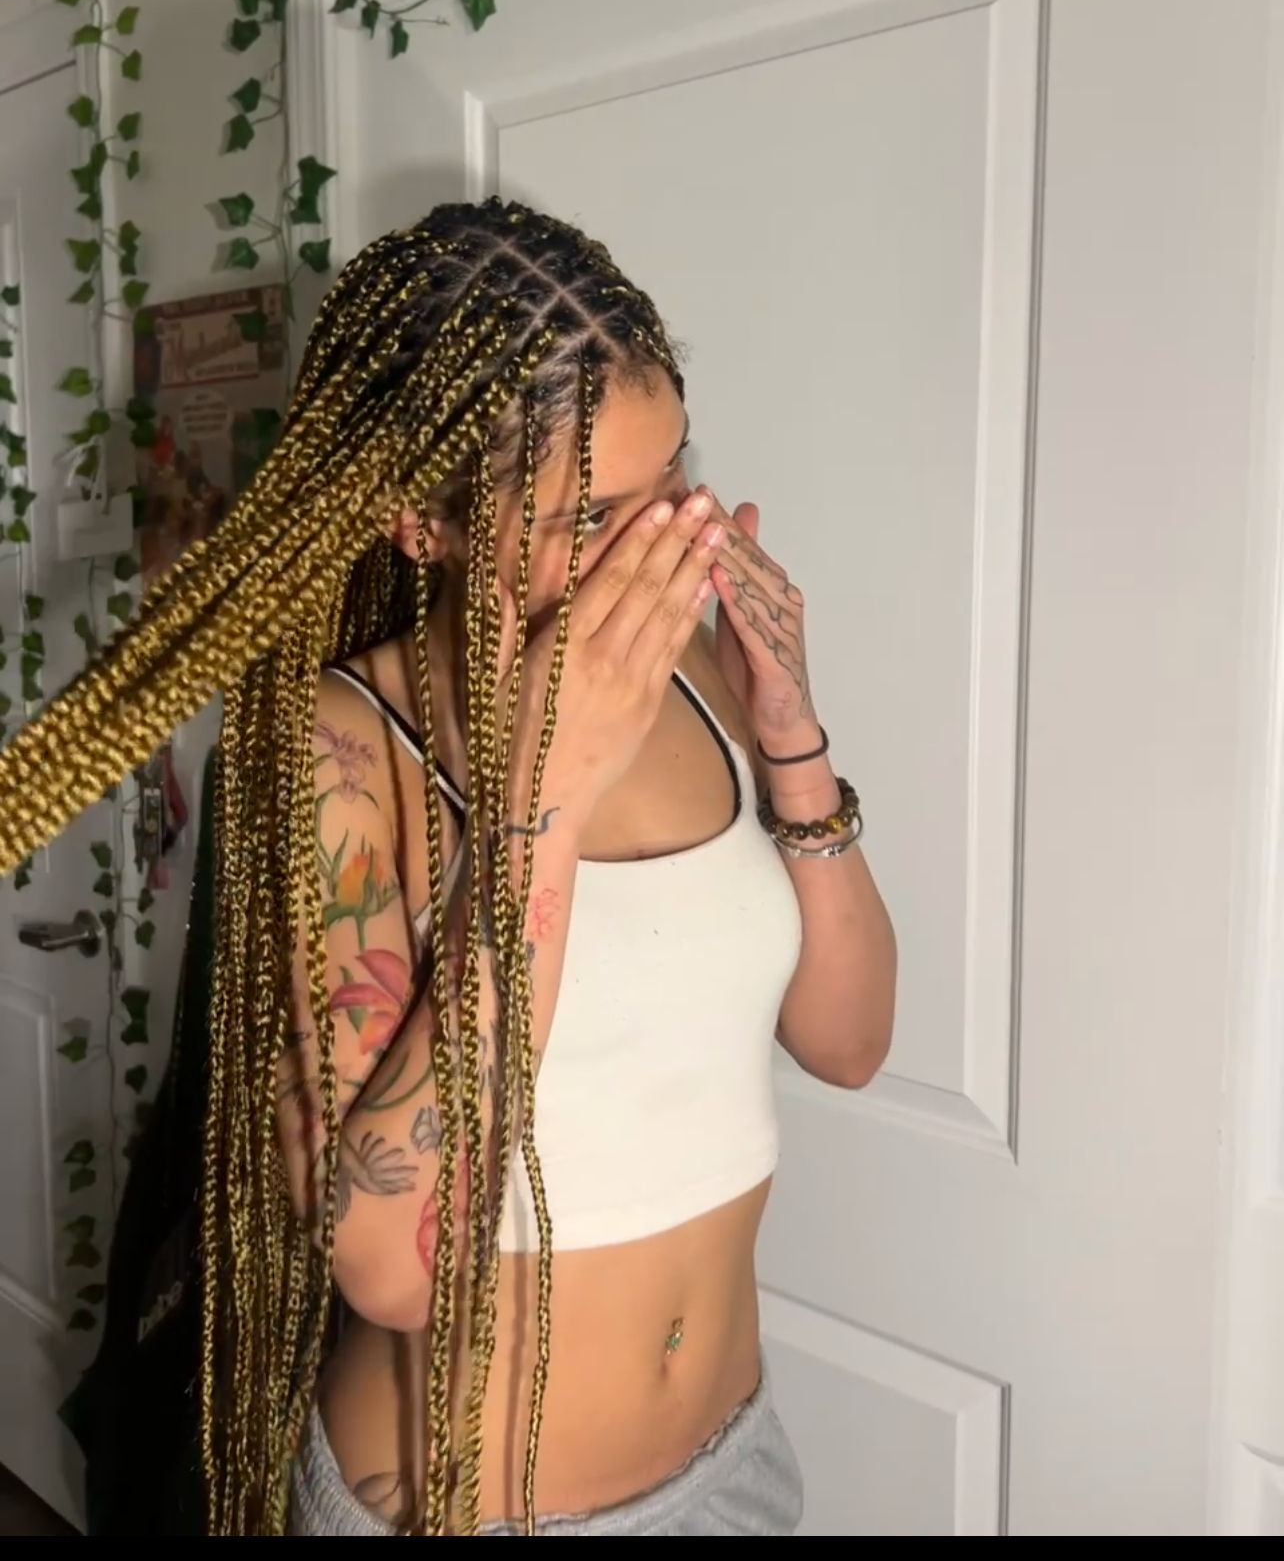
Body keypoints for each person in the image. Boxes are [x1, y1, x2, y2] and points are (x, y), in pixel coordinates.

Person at [0, 200, 895, 1536]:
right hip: (458, 1508)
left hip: (736, 1469)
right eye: (598, 513)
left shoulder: (697, 671)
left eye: (676, 478)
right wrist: (541, 807)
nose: (670, 544)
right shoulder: (337, 752)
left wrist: (792, 734)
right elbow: (395, 1266)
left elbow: (850, 1043)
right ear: (424, 522)